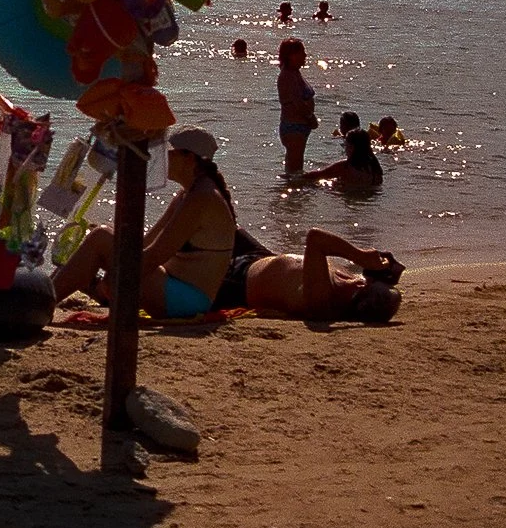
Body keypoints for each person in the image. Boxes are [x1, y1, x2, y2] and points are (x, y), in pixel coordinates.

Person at [52, 126, 238, 316]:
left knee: (101, 238)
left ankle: (44, 301)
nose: (162, 159)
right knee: (103, 233)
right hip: (172, 288)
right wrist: (111, 255)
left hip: (185, 300)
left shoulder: (201, 198)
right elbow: (146, 243)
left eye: (168, 153)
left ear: (189, 157)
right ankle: (55, 292)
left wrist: (114, 273)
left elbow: (155, 256)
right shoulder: (187, 194)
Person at [222, 229, 403, 323]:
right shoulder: (347, 284)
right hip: (261, 257)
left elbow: (315, 238)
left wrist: (360, 257)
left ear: (364, 287)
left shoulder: (322, 301)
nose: (367, 278)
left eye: (371, 281)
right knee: (223, 214)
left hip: (238, 278)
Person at [277, 37, 316, 175]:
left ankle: (294, 193)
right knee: (295, 171)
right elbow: (296, 102)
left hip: (299, 126)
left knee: (294, 168)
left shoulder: (295, 73)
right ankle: (294, 194)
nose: (305, 56)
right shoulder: (287, 75)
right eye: (302, 52)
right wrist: (310, 117)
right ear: (291, 56)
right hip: (294, 127)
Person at [304, 127, 384, 193]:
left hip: (348, 197)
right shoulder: (375, 168)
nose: (345, 149)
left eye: (346, 145)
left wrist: (298, 177)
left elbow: (318, 175)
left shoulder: (345, 167)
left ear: (352, 147)